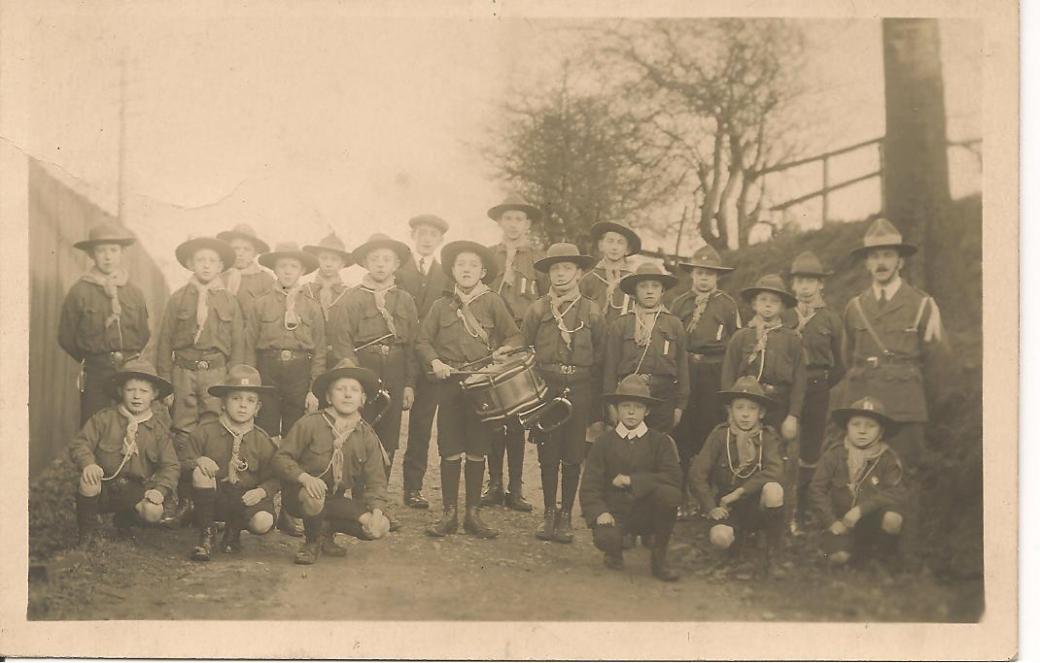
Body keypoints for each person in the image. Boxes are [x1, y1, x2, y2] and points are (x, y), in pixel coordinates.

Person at [416, 240, 522, 538]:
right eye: (461, 264)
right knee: (449, 448)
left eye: (473, 265)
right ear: (452, 269)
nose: (466, 269)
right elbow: (422, 341)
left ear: (483, 271)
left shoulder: (493, 302)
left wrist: (503, 351)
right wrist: (435, 362)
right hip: (449, 383)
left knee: (477, 448)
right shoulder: (440, 305)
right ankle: (449, 514)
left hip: (481, 386)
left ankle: (473, 514)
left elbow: (515, 337)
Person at [842, 216, 946, 470]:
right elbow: (846, 356)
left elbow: (938, 364)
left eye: (888, 255)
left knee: (905, 475)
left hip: (905, 407)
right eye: (874, 256)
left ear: (900, 261)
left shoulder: (922, 305)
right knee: (861, 478)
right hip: (863, 406)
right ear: (867, 263)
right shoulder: (855, 307)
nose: (881, 262)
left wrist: (930, 409)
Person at [331, 232, 419, 531]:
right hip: (363, 372)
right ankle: (355, 504)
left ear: (396, 264)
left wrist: (409, 384)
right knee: (358, 435)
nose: (381, 265)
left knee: (388, 440)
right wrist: (352, 382)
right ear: (366, 263)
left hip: (394, 370)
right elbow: (342, 340)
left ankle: (377, 504)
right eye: (375, 259)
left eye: (387, 259)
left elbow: (411, 346)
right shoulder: (353, 298)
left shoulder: (405, 300)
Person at [155, 235, 244, 526]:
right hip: (183, 371)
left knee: (213, 428)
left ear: (221, 266)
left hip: (216, 373)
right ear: (191, 264)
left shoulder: (229, 301)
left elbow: (238, 344)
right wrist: (166, 383)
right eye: (201, 260)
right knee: (182, 431)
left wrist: (234, 384)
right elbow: (164, 341)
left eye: (212, 261)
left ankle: (211, 499)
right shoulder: (178, 298)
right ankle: (184, 499)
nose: (206, 266)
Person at [272, 359, 393, 565]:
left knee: (380, 528)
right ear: (328, 396)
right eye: (340, 389)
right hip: (300, 495)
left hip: (335, 499)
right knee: (315, 498)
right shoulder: (310, 424)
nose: (347, 394)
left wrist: (377, 512)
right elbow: (281, 458)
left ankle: (325, 534)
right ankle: (311, 542)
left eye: (354, 390)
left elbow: (376, 480)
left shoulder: (366, 435)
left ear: (362, 398)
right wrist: (305, 478)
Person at [523, 242, 605, 543]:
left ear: (580, 272)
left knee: (572, 454)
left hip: (580, 388)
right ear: (548, 274)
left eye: (567, 268)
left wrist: (594, 400)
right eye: (555, 269)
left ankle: (567, 514)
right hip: (548, 389)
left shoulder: (592, 311)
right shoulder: (538, 309)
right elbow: (526, 346)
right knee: (548, 453)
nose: (560, 274)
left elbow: (600, 355)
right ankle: (547, 513)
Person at [722, 273, 806, 532]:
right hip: (746, 407)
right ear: (754, 305)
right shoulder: (741, 337)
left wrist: (793, 416)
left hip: (778, 407)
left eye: (774, 301)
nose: (768, 305)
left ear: (782, 307)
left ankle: (781, 517)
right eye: (762, 300)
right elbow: (727, 376)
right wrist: (730, 412)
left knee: (780, 461)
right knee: (743, 455)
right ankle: (738, 514)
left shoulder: (792, 339)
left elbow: (800, 381)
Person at [579, 374, 682, 581]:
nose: (632, 412)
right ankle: (614, 551)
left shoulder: (660, 442)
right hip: (615, 511)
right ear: (616, 409)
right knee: (606, 537)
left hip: (647, 510)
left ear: (647, 410)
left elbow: (673, 478)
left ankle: (659, 557)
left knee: (669, 495)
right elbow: (590, 485)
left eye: (638, 406)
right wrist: (600, 512)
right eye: (626, 406)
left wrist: (633, 481)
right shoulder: (603, 442)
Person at [69, 359, 180, 546]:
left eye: (144, 391)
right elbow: (81, 444)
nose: (137, 396)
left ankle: (125, 521)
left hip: (135, 489)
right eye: (131, 390)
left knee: (153, 511)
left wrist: (160, 490)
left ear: (154, 394)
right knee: (88, 482)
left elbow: (171, 466)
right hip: (104, 485)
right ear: (121, 391)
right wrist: (89, 464)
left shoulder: (159, 430)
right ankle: (87, 535)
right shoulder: (104, 419)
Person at [483, 195, 548, 511]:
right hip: (492, 342)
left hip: (521, 342)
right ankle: (493, 484)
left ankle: (516, 488)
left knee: (518, 417)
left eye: (519, 219)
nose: (513, 224)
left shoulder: (537, 259)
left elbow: (545, 302)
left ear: (528, 224)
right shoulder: (487, 256)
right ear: (500, 222)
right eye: (507, 218)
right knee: (494, 417)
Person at [670, 244, 740, 519]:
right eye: (700, 273)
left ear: (717, 277)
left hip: (714, 372)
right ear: (692, 275)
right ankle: (683, 495)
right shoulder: (680, 303)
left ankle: (706, 497)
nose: (704, 279)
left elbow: (737, 344)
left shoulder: (727, 305)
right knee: (682, 431)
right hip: (687, 369)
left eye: (710, 274)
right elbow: (672, 339)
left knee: (709, 431)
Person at [689, 377, 786, 576]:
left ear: (761, 413)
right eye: (739, 407)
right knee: (720, 538)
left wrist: (740, 492)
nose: (745, 414)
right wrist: (710, 507)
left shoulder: (767, 437)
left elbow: (775, 470)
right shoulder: (720, 436)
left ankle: (772, 556)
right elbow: (697, 473)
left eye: (751, 408)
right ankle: (733, 552)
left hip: (756, 502)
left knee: (774, 490)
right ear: (729, 411)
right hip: (727, 504)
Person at [183, 364, 280, 561]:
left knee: (263, 521)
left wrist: (261, 492)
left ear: (257, 408)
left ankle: (233, 533)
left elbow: (276, 477)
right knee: (200, 473)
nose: (243, 405)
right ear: (223, 403)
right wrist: (198, 461)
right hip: (215, 497)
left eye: (250, 400)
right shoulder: (205, 431)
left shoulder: (262, 440)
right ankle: (206, 535)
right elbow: (182, 461)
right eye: (236, 398)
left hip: (246, 499)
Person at [59, 222, 152, 424]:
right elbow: (66, 337)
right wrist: (95, 357)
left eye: (113, 250)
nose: (108, 256)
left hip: (130, 369)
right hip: (96, 370)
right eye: (101, 251)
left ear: (122, 253)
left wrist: (127, 357)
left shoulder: (134, 292)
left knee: (130, 423)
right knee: (94, 423)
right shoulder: (80, 291)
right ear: (92, 255)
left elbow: (143, 333)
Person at [808, 396, 907, 569]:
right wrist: (831, 522)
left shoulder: (887, 458)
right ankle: (852, 554)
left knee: (893, 519)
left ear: (881, 431)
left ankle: (881, 559)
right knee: (838, 559)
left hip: (871, 521)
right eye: (856, 424)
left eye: (870, 426)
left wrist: (860, 510)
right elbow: (817, 489)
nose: (862, 431)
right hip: (841, 522)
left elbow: (896, 492)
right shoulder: (834, 454)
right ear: (847, 427)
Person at [786, 250, 845, 530]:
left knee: (810, 450)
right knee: (782, 446)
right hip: (786, 390)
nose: (806, 287)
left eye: (811, 281)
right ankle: (779, 510)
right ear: (793, 285)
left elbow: (841, 364)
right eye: (800, 281)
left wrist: (819, 383)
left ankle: (803, 510)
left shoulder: (831, 319)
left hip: (817, 386)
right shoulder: (784, 315)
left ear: (821, 284)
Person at [396, 214, 451, 509]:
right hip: (400, 355)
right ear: (413, 236)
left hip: (430, 359)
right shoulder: (399, 271)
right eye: (422, 233)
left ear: (440, 240)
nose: (427, 238)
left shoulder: (446, 276)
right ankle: (368, 487)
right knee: (386, 422)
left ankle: (413, 488)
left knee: (421, 425)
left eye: (433, 234)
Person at [246, 241, 327, 439]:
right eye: (283, 266)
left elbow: (319, 352)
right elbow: (249, 347)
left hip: (300, 372)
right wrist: (250, 385)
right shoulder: (260, 304)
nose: (288, 272)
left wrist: (313, 389)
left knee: (296, 429)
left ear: (302, 271)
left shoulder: (312, 307)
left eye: (293, 267)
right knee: (265, 428)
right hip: (268, 369)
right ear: (274, 269)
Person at [603, 262, 689, 434]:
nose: (649, 291)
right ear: (635, 291)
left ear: (662, 290)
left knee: (658, 445)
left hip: (663, 396)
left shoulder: (673, 324)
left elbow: (683, 368)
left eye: (655, 286)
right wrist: (611, 405)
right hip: (629, 396)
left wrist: (680, 406)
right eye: (643, 286)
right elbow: (610, 368)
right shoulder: (622, 324)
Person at [579, 220, 641, 446]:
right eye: (610, 241)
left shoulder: (634, 281)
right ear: (601, 246)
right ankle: (591, 450)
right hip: (594, 351)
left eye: (620, 242)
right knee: (594, 403)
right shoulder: (589, 280)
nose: (615, 247)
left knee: (620, 397)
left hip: (623, 351)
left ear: (628, 249)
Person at [302, 232, 354, 368]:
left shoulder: (349, 293)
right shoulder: (306, 291)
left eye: (334, 259)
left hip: (340, 357)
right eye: (324, 258)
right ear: (316, 260)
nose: (328, 263)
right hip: (311, 355)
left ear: (342, 264)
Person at [216, 224, 275, 315]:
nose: (240, 253)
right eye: (236, 248)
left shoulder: (265, 280)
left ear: (254, 253)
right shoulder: (218, 277)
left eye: (246, 249)